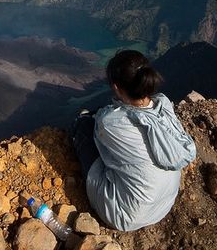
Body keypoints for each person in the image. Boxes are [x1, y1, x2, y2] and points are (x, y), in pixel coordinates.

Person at [70, 49, 196, 231]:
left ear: (115, 87)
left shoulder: (111, 122)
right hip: (163, 205)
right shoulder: (164, 104)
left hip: (125, 215)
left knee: (83, 125)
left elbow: (101, 128)